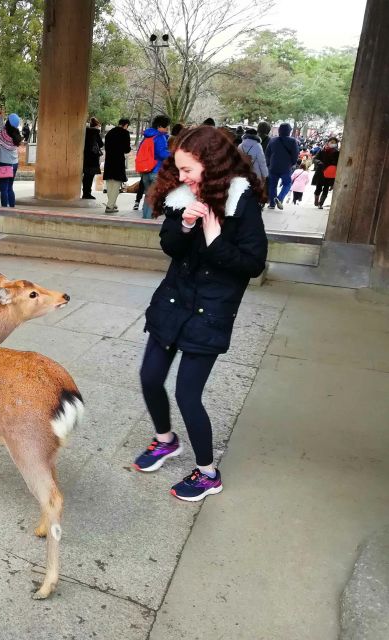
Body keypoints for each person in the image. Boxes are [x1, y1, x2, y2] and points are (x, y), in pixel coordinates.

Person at [134, 125, 267, 501]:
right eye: (179, 170)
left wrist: (214, 238)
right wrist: (187, 223)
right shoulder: (181, 197)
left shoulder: (242, 203)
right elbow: (170, 245)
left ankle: (208, 473)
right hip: (173, 304)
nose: (183, 178)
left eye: (189, 170)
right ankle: (165, 441)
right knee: (149, 376)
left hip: (210, 314)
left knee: (187, 395)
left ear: (213, 166)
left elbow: (252, 264)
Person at [137, 115, 171, 219]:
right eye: (166, 127)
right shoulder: (160, 137)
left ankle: (145, 218)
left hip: (145, 171)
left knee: (148, 195)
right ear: (160, 126)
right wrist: (173, 154)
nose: (167, 129)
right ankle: (149, 221)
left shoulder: (147, 136)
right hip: (156, 170)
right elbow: (161, 153)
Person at [265, 122, 298, 210]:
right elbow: (295, 155)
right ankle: (279, 198)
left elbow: (267, 153)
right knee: (287, 184)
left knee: (272, 185)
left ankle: (272, 204)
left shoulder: (273, 140)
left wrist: (269, 164)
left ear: (279, 130)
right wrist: (292, 163)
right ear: (289, 131)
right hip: (286, 168)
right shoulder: (292, 141)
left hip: (273, 166)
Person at [103, 118, 132, 213]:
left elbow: (106, 147)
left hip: (109, 160)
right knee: (116, 183)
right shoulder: (125, 133)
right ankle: (110, 206)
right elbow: (127, 149)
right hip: (118, 161)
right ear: (126, 125)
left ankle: (112, 203)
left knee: (109, 182)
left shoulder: (109, 133)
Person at [0, 112, 22, 207]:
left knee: (3, 189)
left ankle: (4, 211)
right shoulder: (16, 136)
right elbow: (3, 126)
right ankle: (12, 208)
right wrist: (0, 117)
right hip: (14, 164)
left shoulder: (1, 134)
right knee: (10, 187)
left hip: (4, 164)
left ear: (7, 123)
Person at [312, 137, 339, 209]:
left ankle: (321, 204)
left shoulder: (337, 153)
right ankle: (316, 199)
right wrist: (319, 162)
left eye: (334, 142)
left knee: (326, 189)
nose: (333, 144)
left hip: (330, 173)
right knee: (318, 188)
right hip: (321, 171)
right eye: (331, 142)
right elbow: (314, 159)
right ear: (328, 142)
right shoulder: (322, 150)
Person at [82, 117, 104, 199]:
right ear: (97, 125)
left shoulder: (85, 132)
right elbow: (101, 144)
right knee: (90, 176)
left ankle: (85, 192)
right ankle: (87, 193)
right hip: (93, 157)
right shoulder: (95, 132)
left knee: (86, 176)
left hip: (85, 157)